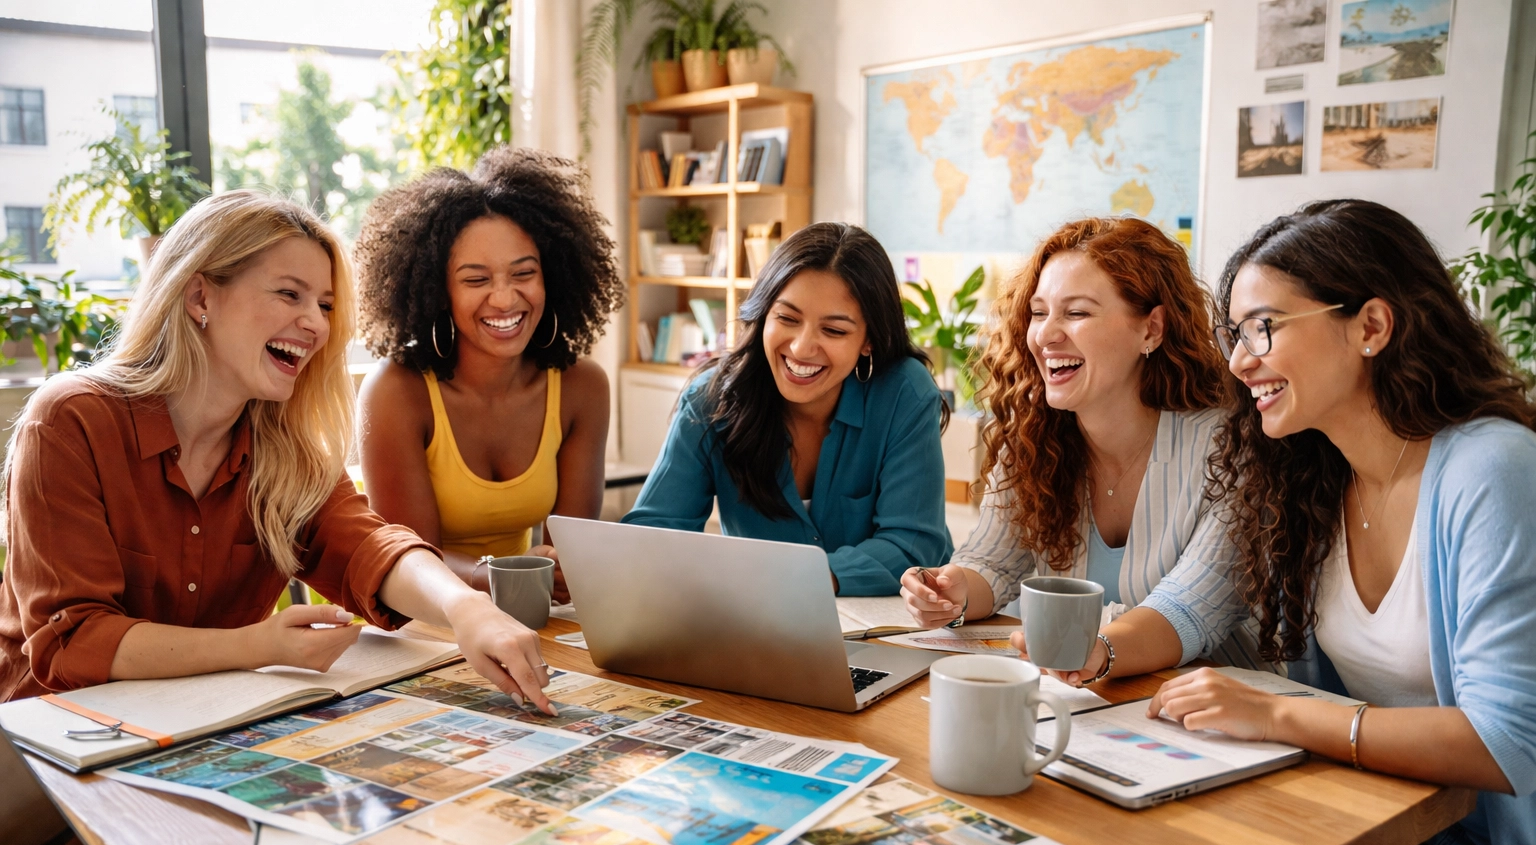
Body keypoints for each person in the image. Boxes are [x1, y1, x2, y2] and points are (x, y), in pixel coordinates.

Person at [1158, 200, 1536, 845]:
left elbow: (1509, 741)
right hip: (1420, 831)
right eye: (1234, 334)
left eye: (1263, 327)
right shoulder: (1318, 479)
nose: (1239, 361)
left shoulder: (1491, 469)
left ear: (1371, 325)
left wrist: (1282, 715)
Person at [0, 191, 554, 712]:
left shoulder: (285, 449)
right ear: (200, 297)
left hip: (203, 724)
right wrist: (255, 646)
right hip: (48, 736)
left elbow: (370, 547)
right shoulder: (71, 420)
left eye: (326, 304)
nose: (315, 323)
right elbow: (71, 643)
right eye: (290, 294)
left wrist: (467, 610)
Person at [902, 217, 1269, 680]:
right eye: (1038, 312)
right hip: (1084, 696)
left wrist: (1096, 651)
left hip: (1213, 713)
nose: (1046, 334)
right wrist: (951, 592)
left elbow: (1191, 606)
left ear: (1151, 330)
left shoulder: (1229, 447)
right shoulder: (1034, 437)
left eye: (1076, 313)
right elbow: (991, 563)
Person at [622, 222, 951, 596]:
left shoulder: (904, 394)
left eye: (834, 331)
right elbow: (655, 533)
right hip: (756, 630)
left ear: (869, 341)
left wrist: (805, 579)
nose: (800, 348)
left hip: (891, 626)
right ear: (764, 314)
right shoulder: (710, 400)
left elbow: (912, 545)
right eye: (787, 319)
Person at [355, 147, 623, 601]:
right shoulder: (397, 392)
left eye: (524, 273)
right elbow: (410, 560)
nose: (504, 299)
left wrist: (560, 570)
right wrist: (506, 574)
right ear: (438, 292)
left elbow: (566, 561)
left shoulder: (582, 388)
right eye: (476, 280)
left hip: (529, 613)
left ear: (551, 279)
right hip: (422, 620)